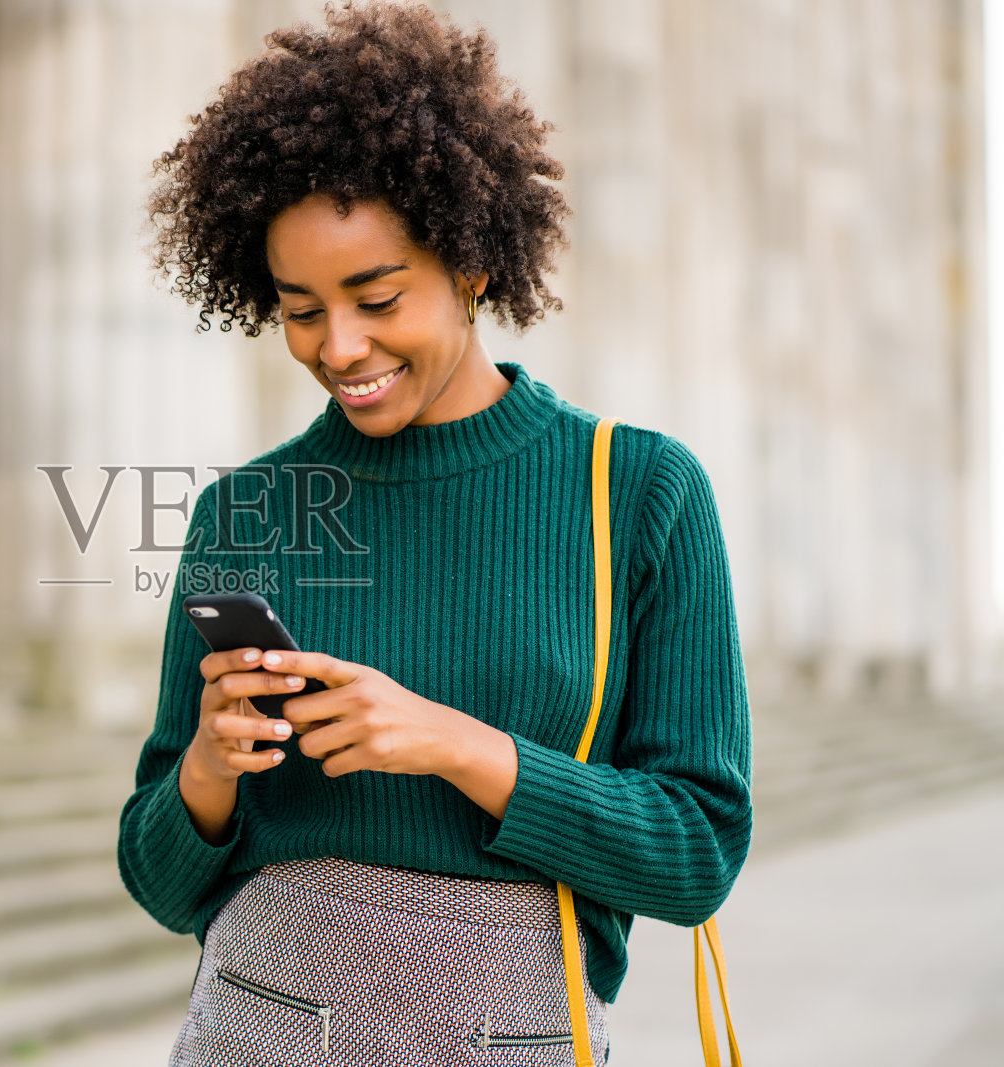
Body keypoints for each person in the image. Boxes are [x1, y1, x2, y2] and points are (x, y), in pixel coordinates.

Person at [117, 3, 752, 1063]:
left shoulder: (638, 491)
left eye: (376, 295)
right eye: (301, 308)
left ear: (470, 263)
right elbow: (161, 879)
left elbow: (695, 852)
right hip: (255, 1027)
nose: (340, 344)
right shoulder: (244, 514)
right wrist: (208, 770)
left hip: (510, 1030)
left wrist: (460, 746)